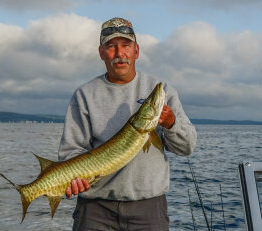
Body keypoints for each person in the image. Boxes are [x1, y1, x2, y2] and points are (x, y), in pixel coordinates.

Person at [58, 17, 197, 230]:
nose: (119, 54)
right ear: (101, 53)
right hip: (95, 210)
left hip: (149, 209)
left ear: (136, 51)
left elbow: (187, 147)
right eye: (111, 47)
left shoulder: (162, 89)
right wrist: (73, 180)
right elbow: (71, 152)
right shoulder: (84, 94)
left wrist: (171, 123)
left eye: (126, 46)